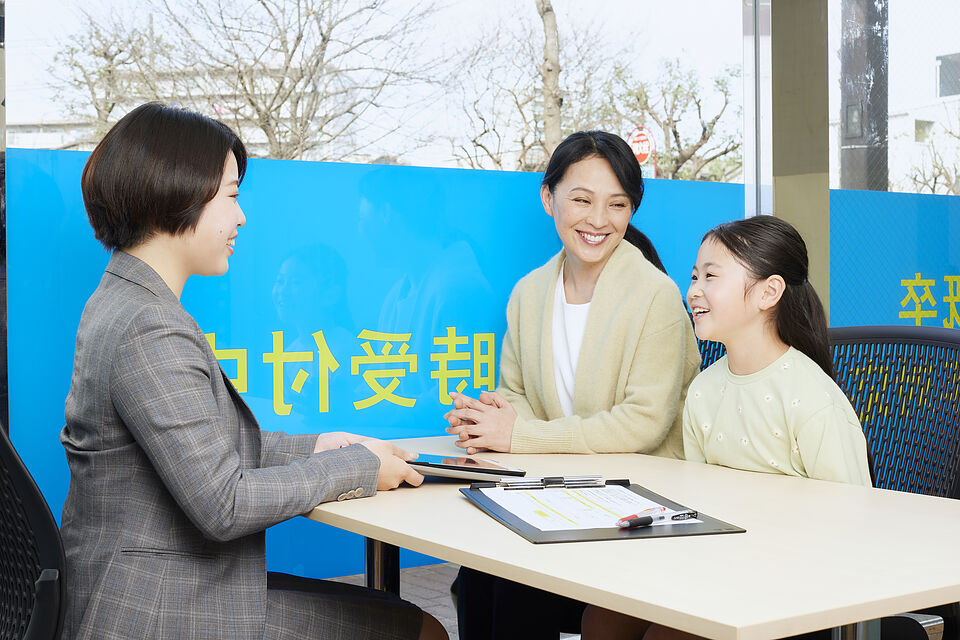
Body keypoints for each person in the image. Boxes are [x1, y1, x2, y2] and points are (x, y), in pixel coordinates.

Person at [59, 103, 447, 640]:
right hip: (154, 608)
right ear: (179, 192)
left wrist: (322, 445)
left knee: (396, 613)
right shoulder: (149, 325)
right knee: (422, 630)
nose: (241, 217)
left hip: (148, 581)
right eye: (232, 195)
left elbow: (202, 449)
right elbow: (224, 503)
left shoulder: (124, 300)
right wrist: (356, 467)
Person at [444, 130, 701, 640]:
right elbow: (517, 393)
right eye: (581, 199)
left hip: (642, 504)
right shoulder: (529, 292)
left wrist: (520, 436)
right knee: (483, 573)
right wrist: (492, 418)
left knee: (518, 584)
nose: (598, 220)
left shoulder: (656, 294)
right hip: (563, 495)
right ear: (549, 198)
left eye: (617, 204)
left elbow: (644, 424)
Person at [580, 215, 871, 640]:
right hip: (719, 567)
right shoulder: (704, 389)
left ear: (769, 292)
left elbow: (856, 523)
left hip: (792, 582)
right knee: (603, 618)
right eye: (694, 276)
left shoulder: (812, 399)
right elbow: (703, 502)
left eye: (711, 276)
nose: (693, 290)